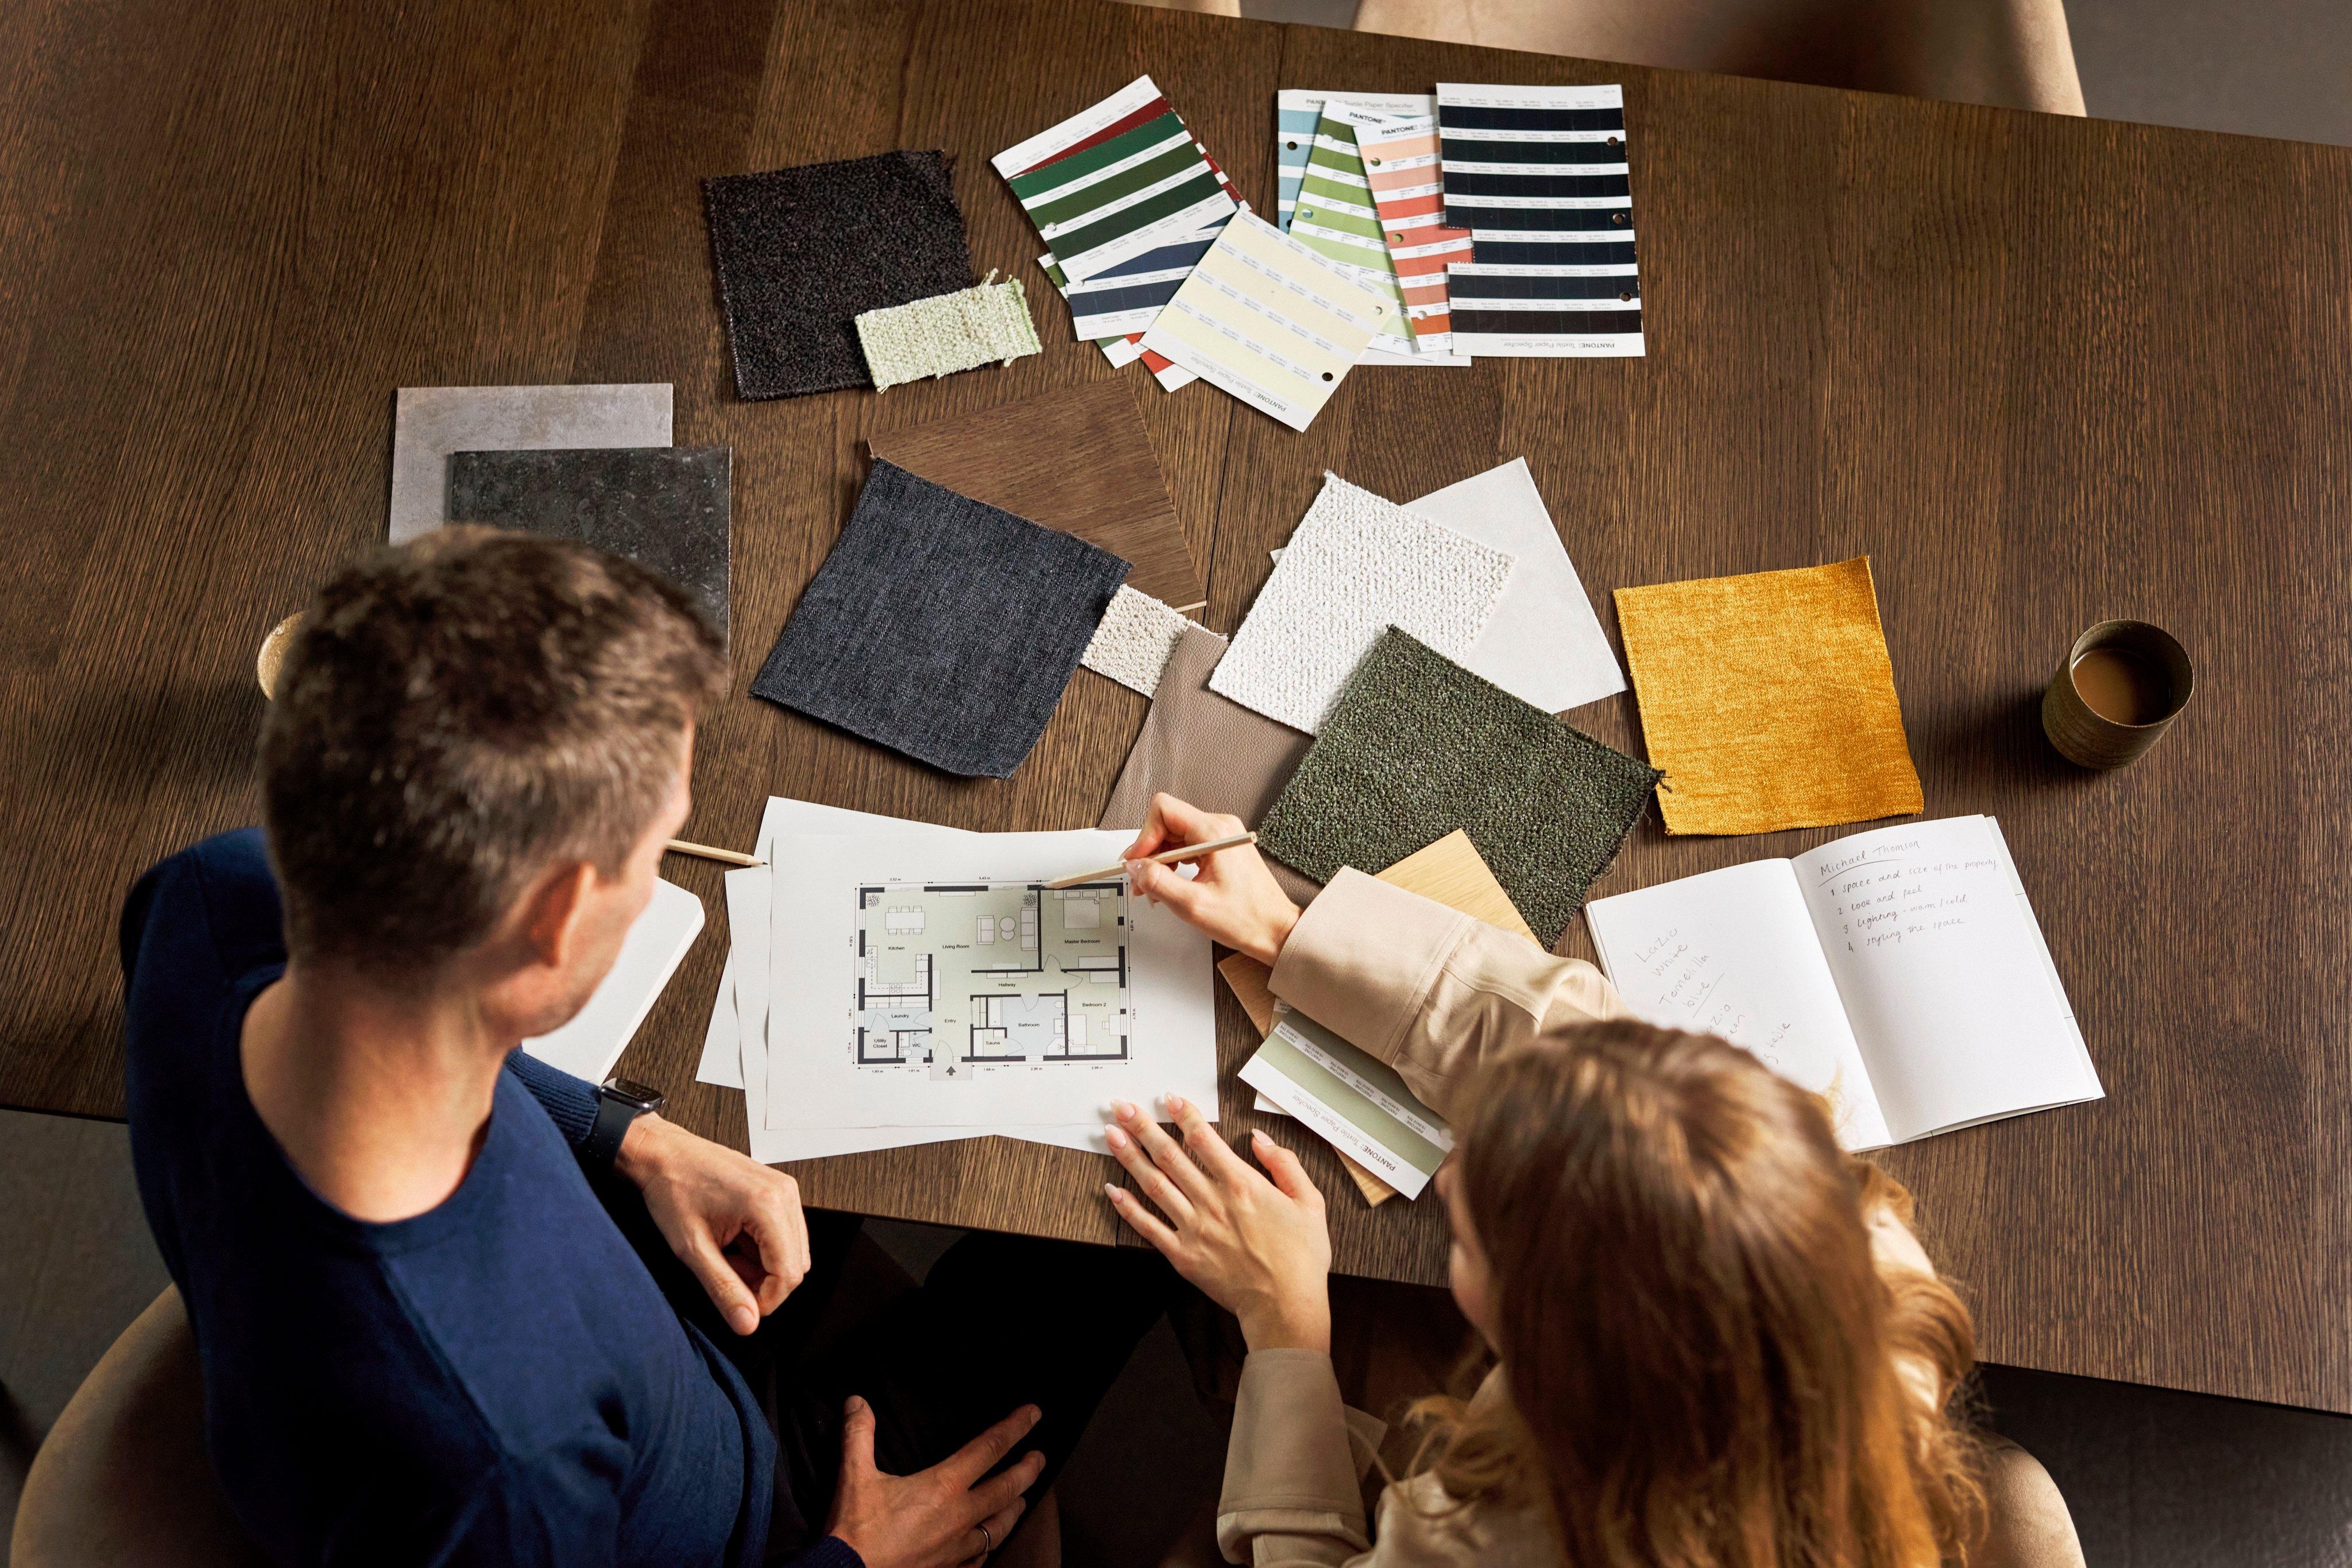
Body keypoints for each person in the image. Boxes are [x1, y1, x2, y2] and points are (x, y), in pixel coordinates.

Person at [121, 530, 1170, 1568]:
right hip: (761, 1531)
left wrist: (629, 1140)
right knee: (1123, 1243)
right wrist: (855, 1560)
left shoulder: (215, 895)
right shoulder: (498, 1464)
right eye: (657, 844)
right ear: (561, 916)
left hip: (644, 1354)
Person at [1097, 795, 2086, 1567]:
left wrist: (1284, 1328)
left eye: (1472, 1234)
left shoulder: (1492, 1533)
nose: (1447, 1192)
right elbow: (1596, 1052)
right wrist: (1288, 929)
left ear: (1541, 1352)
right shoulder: (1850, 1233)